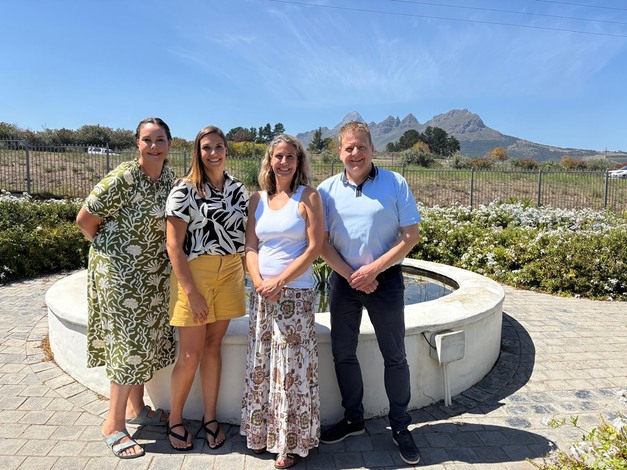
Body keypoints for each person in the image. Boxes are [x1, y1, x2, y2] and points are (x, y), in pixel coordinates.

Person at [317, 121, 422, 465]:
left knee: (395, 356)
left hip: (385, 282)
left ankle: (401, 426)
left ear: (372, 149)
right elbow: (321, 243)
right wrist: (353, 275)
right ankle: (353, 420)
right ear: (340, 153)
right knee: (343, 353)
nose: (355, 153)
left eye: (361, 146)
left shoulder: (395, 183)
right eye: (349, 148)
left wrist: (373, 270)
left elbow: (410, 236)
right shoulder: (326, 191)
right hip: (344, 283)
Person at [76, 117, 176, 459]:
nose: (154, 146)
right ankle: (113, 425)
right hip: (119, 277)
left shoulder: (168, 181)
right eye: (147, 139)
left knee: (142, 341)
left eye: (160, 139)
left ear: (169, 144)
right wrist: (111, 253)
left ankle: (137, 409)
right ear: (137, 143)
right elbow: (85, 220)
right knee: (128, 344)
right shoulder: (124, 177)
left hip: (152, 277)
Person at [240, 134, 323, 470]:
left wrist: (281, 281)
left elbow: (314, 248)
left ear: (298, 161)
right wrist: (260, 282)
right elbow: (250, 247)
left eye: (291, 156)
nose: (284, 162)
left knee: (291, 370)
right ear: (269, 160)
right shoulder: (257, 199)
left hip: (295, 295)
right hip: (262, 295)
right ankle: (260, 435)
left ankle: (288, 443)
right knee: (261, 365)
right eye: (279, 156)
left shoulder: (309, 197)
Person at [165, 125, 249, 451]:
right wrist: (191, 292)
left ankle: (209, 419)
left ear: (226, 150)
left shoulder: (238, 189)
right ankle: (175, 420)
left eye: (218, 147)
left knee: (214, 347)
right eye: (206, 148)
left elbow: (247, 234)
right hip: (196, 273)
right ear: (198, 153)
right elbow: (174, 245)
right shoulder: (185, 189)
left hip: (230, 272)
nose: (213, 153)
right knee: (190, 354)